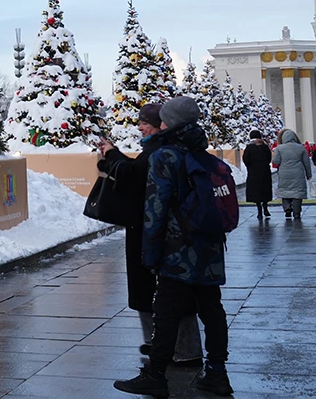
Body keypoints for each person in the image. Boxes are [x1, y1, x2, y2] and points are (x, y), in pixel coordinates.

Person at [114, 96, 232, 397]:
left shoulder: (164, 156)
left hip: (177, 250)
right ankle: (217, 372)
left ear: (173, 123)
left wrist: (150, 254)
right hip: (210, 245)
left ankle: (155, 374)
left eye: (164, 119)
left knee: (165, 312)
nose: (160, 123)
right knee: (212, 309)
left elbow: (156, 210)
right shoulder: (201, 152)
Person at [99, 103, 201, 365]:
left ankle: (173, 350)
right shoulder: (170, 147)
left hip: (157, 232)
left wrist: (112, 156)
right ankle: (165, 346)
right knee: (173, 293)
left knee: (165, 292)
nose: (140, 126)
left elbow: (137, 177)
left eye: (145, 122)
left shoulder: (162, 151)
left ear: (162, 124)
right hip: (166, 232)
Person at [271, 129, 309, 220]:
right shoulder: (301, 148)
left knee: (285, 191)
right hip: (298, 174)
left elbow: (275, 161)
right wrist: (308, 174)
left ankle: (287, 208)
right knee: (297, 193)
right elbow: (306, 162)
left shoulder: (279, 148)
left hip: (284, 174)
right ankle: (297, 213)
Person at [243, 130, 273, 220]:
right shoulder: (264, 146)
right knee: (265, 190)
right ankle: (265, 208)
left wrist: (251, 167)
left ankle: (259, 211)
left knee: (256, 192)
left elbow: (246, 159)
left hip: (254, 173)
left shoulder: (249, 147)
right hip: (265, 172)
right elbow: (269, 158)